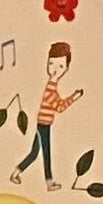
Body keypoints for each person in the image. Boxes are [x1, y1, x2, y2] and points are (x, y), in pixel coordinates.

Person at [16, 38, 79, 185]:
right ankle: (49, 182)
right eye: (51, 64)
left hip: (45, 124)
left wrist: (73, 97)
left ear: (66, 68)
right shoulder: (50, 87)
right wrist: (74, 97)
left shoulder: (52, 86)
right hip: (43, 125)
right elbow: (59, 107)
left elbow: (58, 104)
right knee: (44, 153)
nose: (55, 69)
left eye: (60, 66)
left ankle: (17, 173)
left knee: (35, 153)